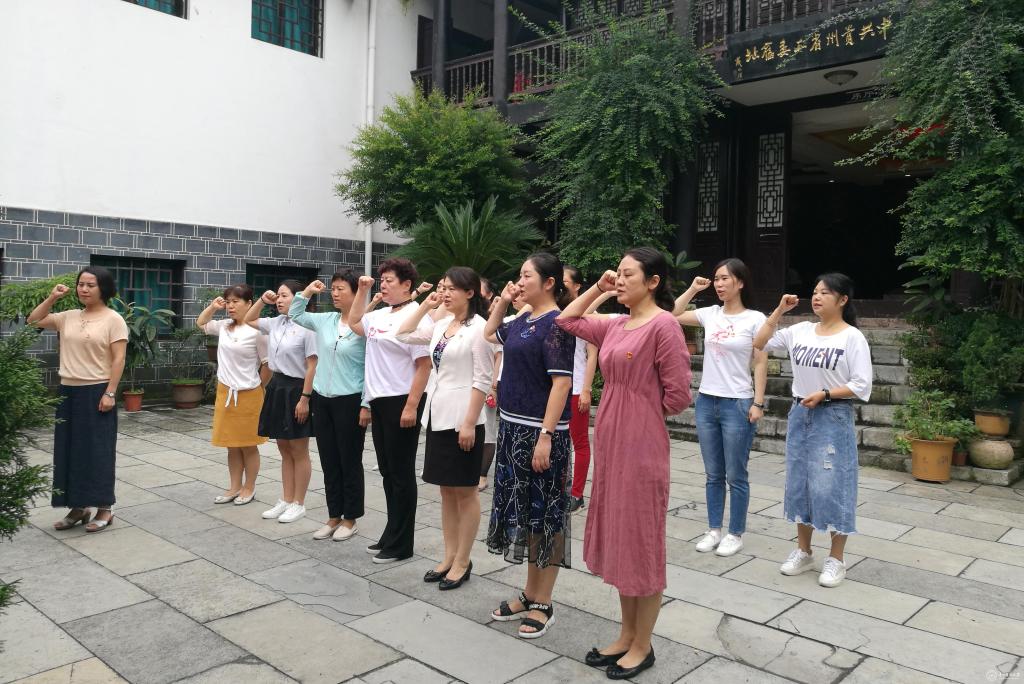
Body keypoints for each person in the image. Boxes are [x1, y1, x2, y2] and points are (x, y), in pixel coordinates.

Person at [557, 248, 691, 679]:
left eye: (628, 274)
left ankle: (643, 645)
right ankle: (626, 634)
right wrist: (598, 287)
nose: (620, 279)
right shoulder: (615, 323)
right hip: (612, 441)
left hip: (642, 444)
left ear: (653, 282)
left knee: (641, 541)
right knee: (621, 538)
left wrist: (641, 409)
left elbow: (679, 395)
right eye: (618, 273)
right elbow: (567, 321)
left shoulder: (664, 325)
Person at [753, 272, 872, 588]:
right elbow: (760, 342)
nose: (816, 297)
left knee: (834, 485)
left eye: (825, 292)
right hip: (800, 413)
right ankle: (804, 551)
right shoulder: (800, 331)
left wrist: (826, 393)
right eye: (815, 291)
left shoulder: (852, 338)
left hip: (832, 415)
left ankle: (836, 559)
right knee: (800, 482)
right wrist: (779, 310)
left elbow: (862, 385)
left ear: (842, 300)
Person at [484, 252, 574, 639]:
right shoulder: (524, 318)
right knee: (524, 513)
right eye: (518, 275)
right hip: (512, 428)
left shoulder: (557, 324)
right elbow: (490, 333)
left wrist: (547, 436)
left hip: (540, 433)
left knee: (546, 516)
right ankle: (530, 593)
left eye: (526, 276)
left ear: (549, 282)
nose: (520, 282)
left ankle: (544, 601)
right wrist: (504, 300)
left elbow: (562, 383)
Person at [396, 267, 494, 590]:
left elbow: (482, 379)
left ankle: (463, 559)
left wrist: (469, 423)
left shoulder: (479, 329)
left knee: (465, 491)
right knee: (445, 490)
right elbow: (403, 333)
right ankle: (449, 555)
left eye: (452, 288)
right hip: (438, 415)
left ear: (470, 292)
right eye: (444, 287)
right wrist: (425, 305)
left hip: (463, 419)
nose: (446, 293)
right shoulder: (441, 325)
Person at [673, 258, 767, 557]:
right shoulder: (710, 314)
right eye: (716, 279)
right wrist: (692, 289)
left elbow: (760, 361)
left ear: (740, 282)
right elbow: (671, 314)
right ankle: (714, 529)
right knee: (713, 473)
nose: (719, 283)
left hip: (737, 402)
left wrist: (758, 402)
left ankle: (735, 533)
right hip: (707, 401)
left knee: (736, 474)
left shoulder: (755, 319)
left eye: (725, 278)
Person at [347, 258, 433, 564]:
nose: (383, 285)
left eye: (389, 281)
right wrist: (362, 290)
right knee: (387, 471)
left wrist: (411, 406)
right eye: (381, 280)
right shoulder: (380, 314)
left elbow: (424, 366)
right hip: (379, 400)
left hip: (402, 400)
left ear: (407, 284)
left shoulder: (417, 316)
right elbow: (354, 323)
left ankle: (401, 543)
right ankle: (391, 532)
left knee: (401, 473)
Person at [29, 267, 128, 533]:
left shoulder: (114, 319)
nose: (83, 289)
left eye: (90, 285)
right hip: (68, 392)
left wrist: (110, 392)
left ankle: (105, 509)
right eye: (80, 284)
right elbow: (34, 320)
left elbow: (119, 358)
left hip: (97, 392)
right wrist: (52, 297)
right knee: (69, 451)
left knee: (98, 451)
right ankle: (78, 507)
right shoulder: (68, 316)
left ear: (103, 288)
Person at [289, 271, 372, 541]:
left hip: (350, 400)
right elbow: (295, 314)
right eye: (333, 289)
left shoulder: (365, 326)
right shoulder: (326, 320)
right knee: (329, 460)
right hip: (322, 399)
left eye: (341, 289)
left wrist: (366, 404)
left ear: (355, 293)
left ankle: (350, 518)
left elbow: (372, 367)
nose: (335, 294)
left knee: (350, 460)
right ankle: (333, 515)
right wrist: (307, 292)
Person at [243, 281, 318, 524]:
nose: (279, 300)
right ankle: (286, 499)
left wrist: (305, 398)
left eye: (284, 295)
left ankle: (299, 503)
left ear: (299, 298)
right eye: (278, 296)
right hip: (277, 386)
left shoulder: (308, 326)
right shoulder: (276, 322)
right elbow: (248, 319)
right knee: (283, 448)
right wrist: (262, 300)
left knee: (298, 448)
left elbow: (312, 365)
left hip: (297, 388)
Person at [197, 284, 268, 505]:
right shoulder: (224, 326)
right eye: (228, 302)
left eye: (236, 301)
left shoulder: (258, 331)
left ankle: (249, 487)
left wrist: (260, 386)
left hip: (249, 393)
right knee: (231, 444)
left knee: (248, 444)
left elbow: (268, 365)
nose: (230, 306)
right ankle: (234, 486)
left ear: (249, 303)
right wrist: (213, 307)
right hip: (225, 391)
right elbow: (201, 323)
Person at [562, 266, 599, 513]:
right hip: (554, 388)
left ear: (577, 286)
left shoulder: (589, 315)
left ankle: (577, 494)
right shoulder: (554, 311)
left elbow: (592, 354)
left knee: (579, 442)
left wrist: (586, 389)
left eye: (565, 282)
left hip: (576, 387)